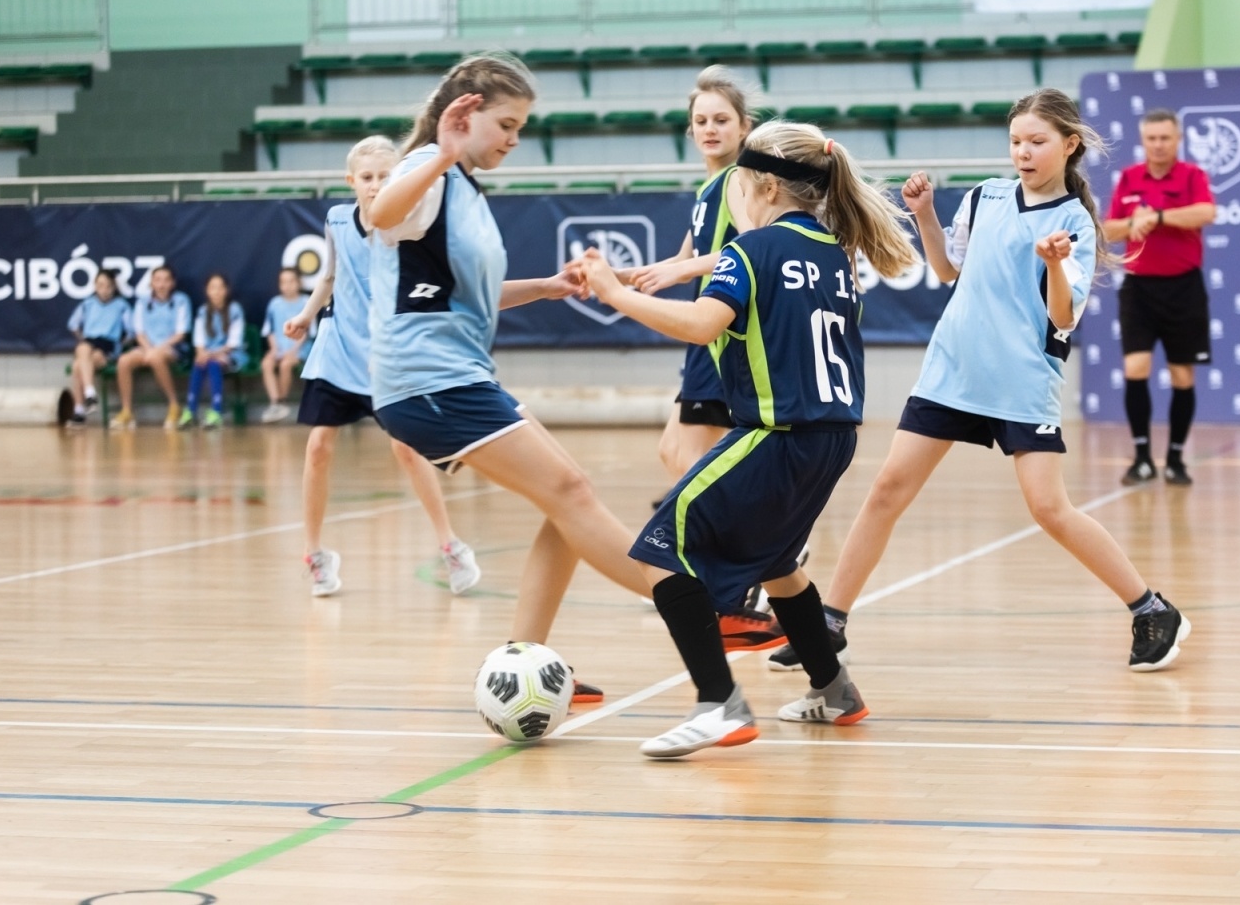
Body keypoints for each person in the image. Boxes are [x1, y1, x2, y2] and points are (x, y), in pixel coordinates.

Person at [365, 54, 779, 703]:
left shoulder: (462, 189)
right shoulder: (430, 170)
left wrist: (548, 288)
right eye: (506, 124)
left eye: (520, 127)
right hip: (428, 382)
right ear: (464, 115)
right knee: (572, 491)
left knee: (564, 506)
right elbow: (378, 216)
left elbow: (462, 293)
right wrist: (441, 154)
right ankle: (704, 607)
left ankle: (521, 663)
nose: (513, 138)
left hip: (459, 377)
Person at [765, 89, 1191, 676]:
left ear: (1068, 146)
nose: (1023, 151)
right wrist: (925, 216)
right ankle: (829, 621)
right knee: (887, 490)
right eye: (1016, 141)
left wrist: (1051, 264)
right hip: (953, 370)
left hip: (1021, 380)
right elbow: (947, 272)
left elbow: (1063, 317)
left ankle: (1151, 609)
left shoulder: (1075, 223)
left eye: (1037, 141)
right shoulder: (985, 196)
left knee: (1049, 509)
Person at [582, 121, 921, 759]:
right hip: (834, 439)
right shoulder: (834, 249)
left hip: (776, 433)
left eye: (735, 184)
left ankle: (719, 703)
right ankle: (834, 689)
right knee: (779, 566)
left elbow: (699, 325)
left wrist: (612, 294)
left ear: (761, 185)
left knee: (662, 545)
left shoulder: (750, 252)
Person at [283, 136, 483, 602]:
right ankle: (314, 553)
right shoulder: (336, 219)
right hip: (339, 349)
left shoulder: (407, 225)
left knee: (408, 451)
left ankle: (450, 544)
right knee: (317, 448)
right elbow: (330, 275)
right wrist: (307, 314)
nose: (376, 186)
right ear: (352, 182)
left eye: (384, 177)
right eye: (367, 178)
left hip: (387, 355)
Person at [622, 66, 754, 482]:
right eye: (701, 121)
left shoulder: (737, 180)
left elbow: (760, 249)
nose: (710, 129)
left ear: (744, 127)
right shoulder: (707, 188)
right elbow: (679, 264)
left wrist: (687, 269)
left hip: (721, 329)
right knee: (673, 451)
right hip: (705, 336)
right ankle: (766, 535)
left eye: (721, 120)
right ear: (690, 129)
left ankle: (764, 539)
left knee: (691, 459)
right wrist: (607, 277)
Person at [1103, 108, 1217, 486]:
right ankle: (1141, 458)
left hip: (1183, 287)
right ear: (1143, 140)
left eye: (1165, 138)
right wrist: (1134, 223)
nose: (1158, 145)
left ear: (1177, 139)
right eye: (1151, 138)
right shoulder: (1129, 179)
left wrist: (1161, 217)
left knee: (1182, 375)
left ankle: (1175, 460)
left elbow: (1206, 212)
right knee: (1136, 368)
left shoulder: (1192, 176)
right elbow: (1109, 228)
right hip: (1138, 288)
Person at [113, 264, 192, 430]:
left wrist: (158, 349)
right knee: (123, 361)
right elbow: (139, 332)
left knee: (156, 358)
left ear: (172, 283)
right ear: (151, 283)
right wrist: (148, 349)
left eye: (165, 280)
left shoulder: (181, 300)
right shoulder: (142, 302)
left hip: (173, 348)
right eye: (157, 280)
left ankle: (174, 406)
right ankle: (127, 411)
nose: (161, 284)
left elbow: (180, 333)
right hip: (147, 347)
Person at [65, 269, 132, 427]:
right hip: (89, 341)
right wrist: (82, 337)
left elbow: (131, 331)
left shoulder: (121, 305)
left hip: (107, 343)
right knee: (82, 354)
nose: (104, 289)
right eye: (100, 285)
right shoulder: (88, 304)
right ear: (95, 286)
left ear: (114, 287)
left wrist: (120, 345)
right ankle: (88, 396)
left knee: (78, 364)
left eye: (108, 285)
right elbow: (73, 325)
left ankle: (81, 408)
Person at [180, 273, 245, 430]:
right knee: (200, 364)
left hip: (232, 355)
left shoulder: (235, 310)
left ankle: (216, 411)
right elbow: (199, 340)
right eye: (212, 288)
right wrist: (202, 353)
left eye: (220, 287)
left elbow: (233, 343)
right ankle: (190, 410)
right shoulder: (203, 311)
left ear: (226, 290)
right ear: (207, 291)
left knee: (213, 364)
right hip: (208, 355)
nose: (216, 292)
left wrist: (210, 354)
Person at [260, 267, 309, 423]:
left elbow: (307, 331)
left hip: (301, 348)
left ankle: (282, 401)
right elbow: (270, 330)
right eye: (283, 282)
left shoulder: (306, 302)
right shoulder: (274, 304)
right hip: (279, 347)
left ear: (298, 282)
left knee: (285, 365)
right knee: (267, 363)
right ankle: (275, 403)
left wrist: (293, 351)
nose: (287, 285)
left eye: (291, 281)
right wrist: (274, 349)